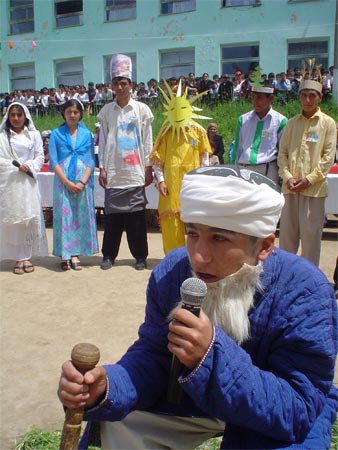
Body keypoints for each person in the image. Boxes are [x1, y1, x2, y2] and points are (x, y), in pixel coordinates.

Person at [58, 165, 337, 450]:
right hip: (189, 395)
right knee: (119, 422)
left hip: (276, 410)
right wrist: (107, 385)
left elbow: (298, 407)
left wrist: (210, 355)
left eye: (219, 238)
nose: (199, 257)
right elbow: (155, 356)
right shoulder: (173, 271)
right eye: (192, 234)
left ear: (264, 246)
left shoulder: (306, 291)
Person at [98, 54, 154, 271]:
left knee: (137, 219)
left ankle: (140, 256)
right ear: (111, 86)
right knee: (112, 219)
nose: (120, 87)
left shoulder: (141, 110)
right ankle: (109, 256)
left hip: (135, 170)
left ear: (131, 85)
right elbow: (102, 142)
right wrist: (102, 168)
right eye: (116, 83)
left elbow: (148, 141)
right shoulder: (106, 112)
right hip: (114, 172)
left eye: (124, 83)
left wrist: (148, 167)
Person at [277, 79, 337, 267]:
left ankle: (308, 283)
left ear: (320, 97)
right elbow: (282, 154)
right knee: (287, 239)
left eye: (312, 95)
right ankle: (285, 279)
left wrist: (309, 179)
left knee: (311, 241)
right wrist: (288, 177)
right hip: (290, 189)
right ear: (299, 97)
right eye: (304, 95)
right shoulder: (292, 123)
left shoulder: (327, 123)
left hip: (314, 190)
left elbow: (328, 157)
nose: (308, 99)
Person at [150, 79, 212, 254]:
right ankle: (173, 259)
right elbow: (157, 161)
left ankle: (197, 258)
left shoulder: (198, 132)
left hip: (192, 185)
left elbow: (204, 158)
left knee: (196, 223)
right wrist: (161, 180)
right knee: (171, 224)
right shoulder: (166, 133)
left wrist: (203, 180)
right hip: (170, 185)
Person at [48, 99, 99, 271]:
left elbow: (91, 160)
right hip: (63, 183)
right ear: (64, 113)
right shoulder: (56, 133)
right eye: (69, 111)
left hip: (82, 182)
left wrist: (82, 181)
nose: (72, 115)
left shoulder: (87, 135)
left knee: (79, 218)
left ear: (80, 114)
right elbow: (54, 160)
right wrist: (68, 182)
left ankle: (76, 253)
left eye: (76, 112)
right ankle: (65, 253)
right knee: (65, 217)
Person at [0, 102, 48, 274]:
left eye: (19, 115)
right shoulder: (3, 137)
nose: (16, 118)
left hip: (28, 181)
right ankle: (18, 257)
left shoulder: (34, 135)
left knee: (29, 218)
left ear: (25, 116)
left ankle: (27, 256)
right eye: (12, 115)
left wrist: (29, 165)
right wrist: (16, 166)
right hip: (10, 184)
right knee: (14, 221)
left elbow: (40, 156)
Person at [230, 83, 288, 184]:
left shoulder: (280, 121)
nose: (255, 101)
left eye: (260, 98)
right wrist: (232, 170)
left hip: (268, 170)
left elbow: (283, 151)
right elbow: (237, 149)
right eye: (253, 97)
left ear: (270, 98)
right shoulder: (243, 120)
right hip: (244, 170)